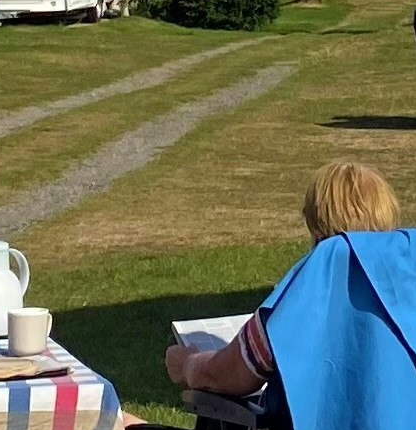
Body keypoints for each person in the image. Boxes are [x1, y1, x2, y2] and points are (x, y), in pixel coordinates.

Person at [161, 160, 402, 398]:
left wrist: (187, 364)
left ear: (315, 227)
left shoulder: (304, 296)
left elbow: (226, 374)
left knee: (133, 427)